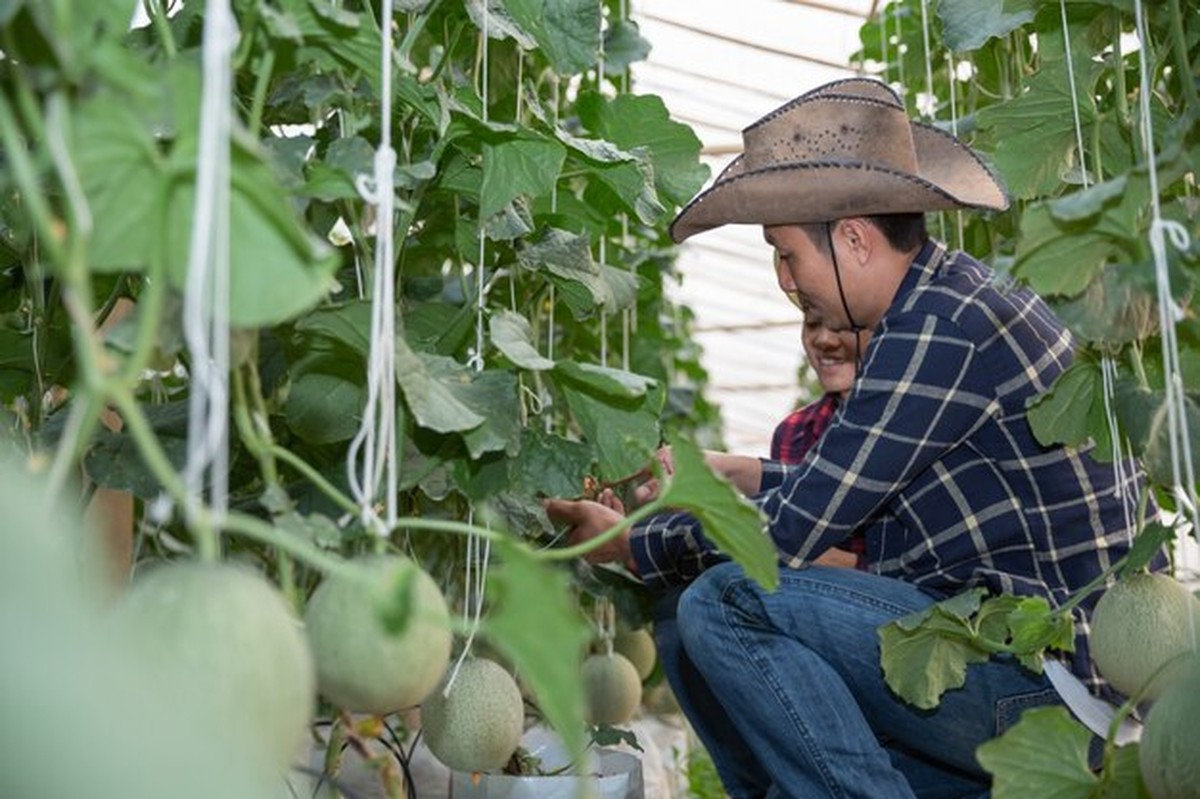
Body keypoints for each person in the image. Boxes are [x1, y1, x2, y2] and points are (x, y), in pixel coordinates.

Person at [547, 77, 1151, 799]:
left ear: (855, 240)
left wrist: (631, 545)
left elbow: (797, 532)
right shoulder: (940, 302)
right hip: (1017, 665)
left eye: (786, 254)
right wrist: (731, 472)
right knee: (694, 626)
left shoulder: (936, 325)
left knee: (722, 603)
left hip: (1050, 686)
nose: (787, 282)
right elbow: (843, 486)